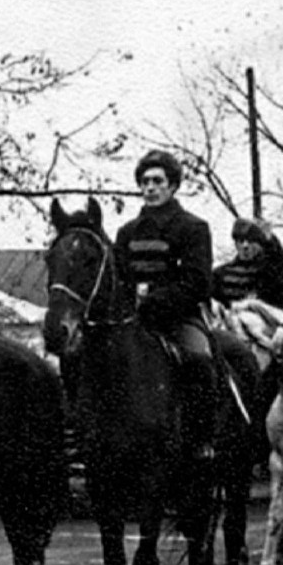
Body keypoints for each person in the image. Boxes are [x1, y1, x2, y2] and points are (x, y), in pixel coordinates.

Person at [114, 149, 217, 460]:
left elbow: (198, 281)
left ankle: (201, 440)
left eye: (158, 181)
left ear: (173, 186)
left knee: (198, 360)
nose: (150, 187)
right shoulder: (126, 232)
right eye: (144, 181)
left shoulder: (192, 227)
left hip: (178, 318)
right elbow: (119, 278)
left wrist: (158, 301)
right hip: (134, 320)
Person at [211, 216, 283, 309]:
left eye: (251, 241)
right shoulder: (220, 274)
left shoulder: (270, 271)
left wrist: (271, 241)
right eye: (241, 241)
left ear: (261, 244)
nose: (245, 246)